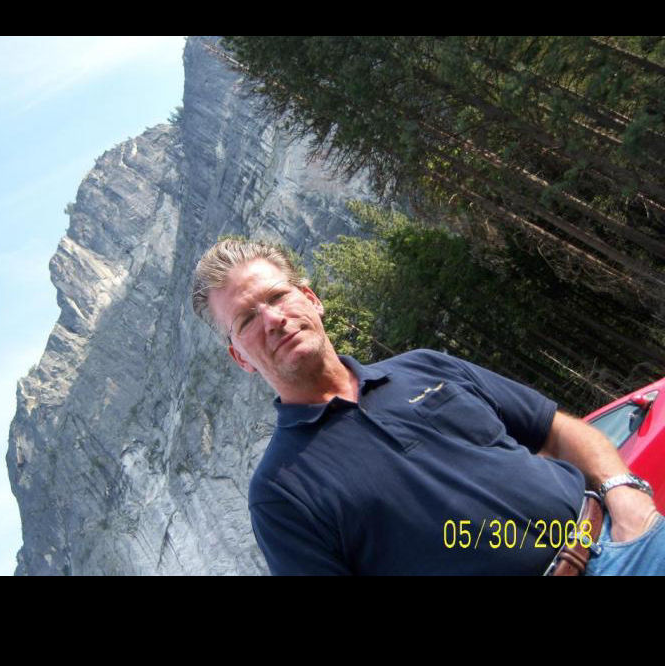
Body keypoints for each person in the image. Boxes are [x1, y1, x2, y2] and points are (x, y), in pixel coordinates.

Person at [192, 238, 665, 575]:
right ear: (240, 357)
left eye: (278, 296)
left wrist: (625, 494)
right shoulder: (279, 493)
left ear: (311, 300)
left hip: (625, 542)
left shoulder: (424, 365)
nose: (273, 319)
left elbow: (556, 430)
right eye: (247, 319)